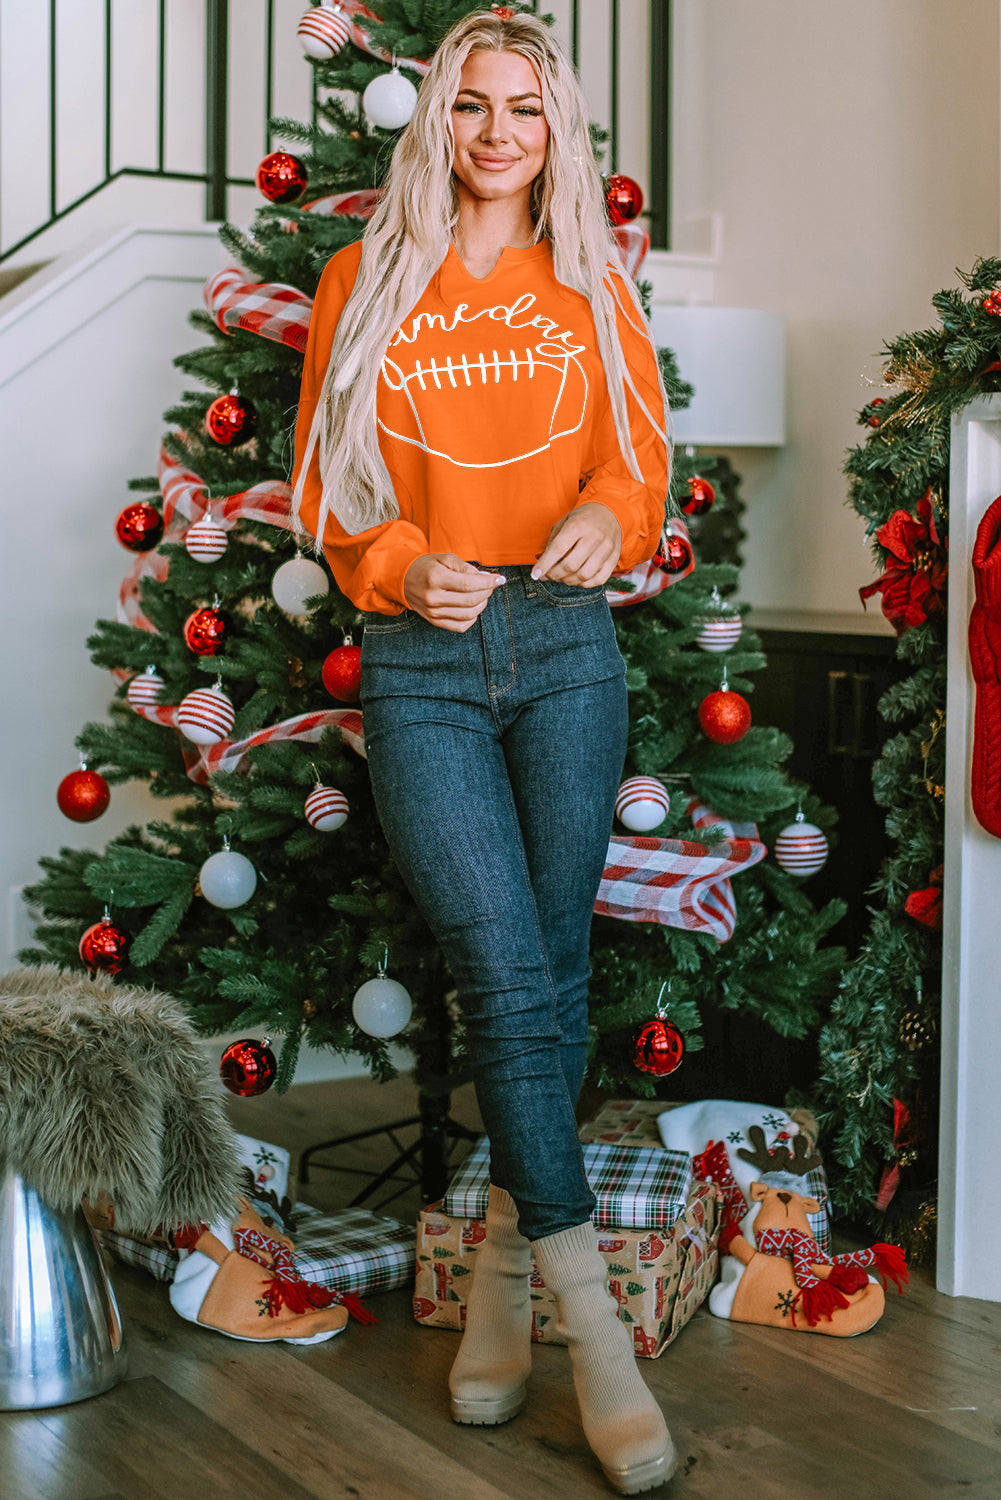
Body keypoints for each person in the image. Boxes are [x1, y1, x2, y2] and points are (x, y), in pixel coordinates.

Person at [292, 9, 674, 1494]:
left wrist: (610, 521)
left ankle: (505, 1292)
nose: (497, 131)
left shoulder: (590, 284)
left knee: (553, 975)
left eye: (523, 106)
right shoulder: (360, 278)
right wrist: (395, 560)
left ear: (553, 129)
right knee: (502, 973)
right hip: (425, 667)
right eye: (471, 104)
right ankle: (603, 1342)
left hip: (569, 650)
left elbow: (635, 464)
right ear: (433, 122)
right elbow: (329, 483)